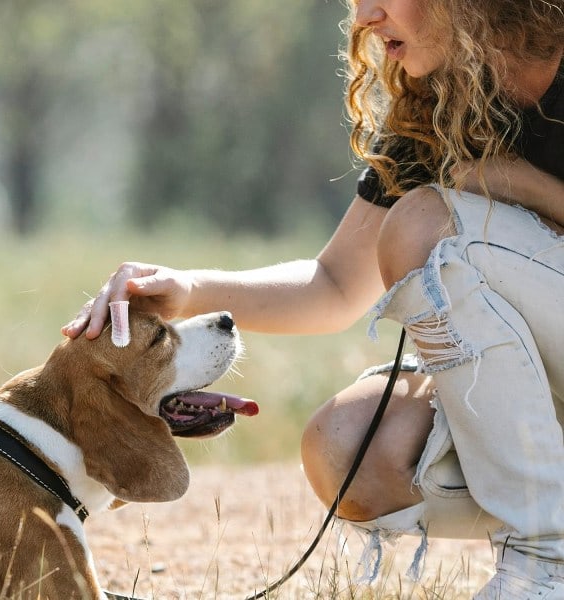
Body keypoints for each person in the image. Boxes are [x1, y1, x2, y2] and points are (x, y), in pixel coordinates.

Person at [63, 0, 564, 597]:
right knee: (347, 448)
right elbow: (334, 286)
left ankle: (544, 565)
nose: (363, 18)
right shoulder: (442, 96)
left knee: (423, 224)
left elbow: (429, 226)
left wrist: (525, 187)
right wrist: (189, 291)